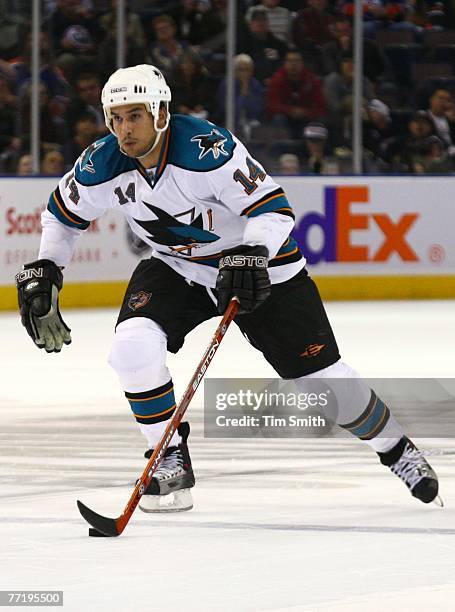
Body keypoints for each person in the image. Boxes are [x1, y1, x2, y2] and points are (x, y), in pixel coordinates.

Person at [15, 64, 441, 513]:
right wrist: (47, 266)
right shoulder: (102, 162)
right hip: (177, 267)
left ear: (161, 113)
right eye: (116, 118)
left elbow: (275, 209)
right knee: (131, 350)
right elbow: (62, 216)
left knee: (324, 383)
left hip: (263, 269)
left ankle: (396, 448)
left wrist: (253, 252)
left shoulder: (207, 150)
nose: (125, 129)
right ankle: (169, 460)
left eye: (135, 115)